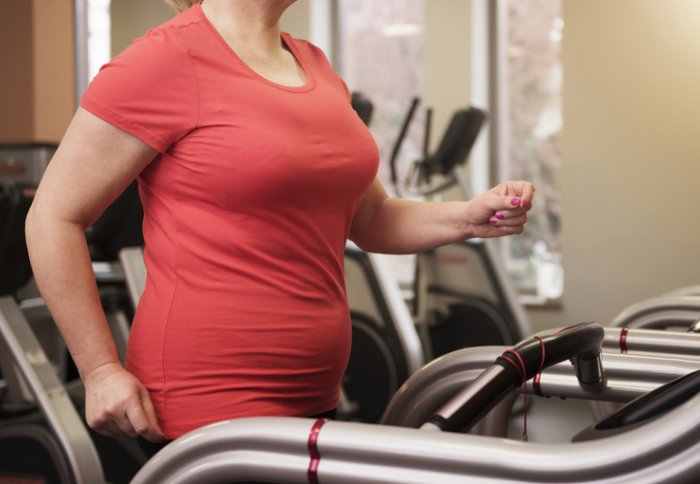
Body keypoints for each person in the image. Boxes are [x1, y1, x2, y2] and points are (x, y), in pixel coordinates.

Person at [25, 0, 535, 456]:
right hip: (206, 400)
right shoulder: (162, 60)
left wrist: (467, 217)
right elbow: (52, 217)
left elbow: (372, 217)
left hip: (314, 392)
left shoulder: (311, 63)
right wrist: (99, 370)